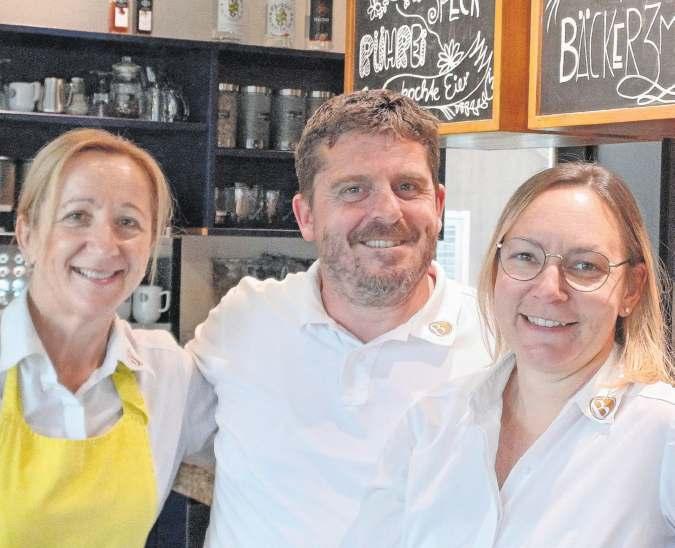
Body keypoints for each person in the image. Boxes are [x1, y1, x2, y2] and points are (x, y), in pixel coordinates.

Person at [186, 89, 491, 547]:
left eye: (408, 187)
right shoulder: (244, 320)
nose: (387, 211)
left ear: (439, 206)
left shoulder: (498, 341)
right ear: (305, 216)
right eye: (353, 190)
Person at [344, 162, 675, 547]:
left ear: (631, 288)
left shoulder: (662, 433)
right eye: (525, 257)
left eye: (585, 266)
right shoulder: (431, 424)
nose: (549, 289)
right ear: (496, 268)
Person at [0, 128, 216, 547]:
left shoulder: (167, 372)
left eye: (128, 222)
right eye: (77, 216)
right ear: (27, 234)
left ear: (151, 244)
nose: (104, 245)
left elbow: (269, 441)